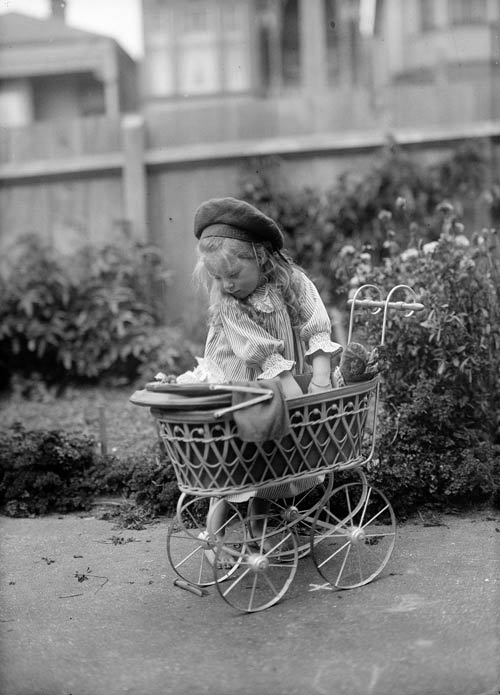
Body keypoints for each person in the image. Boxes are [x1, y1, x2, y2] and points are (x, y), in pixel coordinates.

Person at [192, 196, 343, 566]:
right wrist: (291, 385)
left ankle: (260, 534)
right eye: (218, 278)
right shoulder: (229, 304)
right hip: (240, 378)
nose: (226, 285)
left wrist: (321, 376)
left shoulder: (294, 282)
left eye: (232, 275)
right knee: (236, 461)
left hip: (276, 382)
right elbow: (255, 348)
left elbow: (315, 323)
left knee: (267, 460)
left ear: (260, 257)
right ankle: (214, 537)